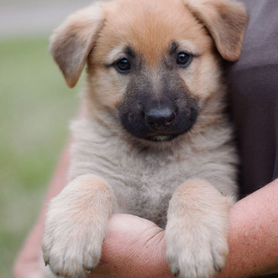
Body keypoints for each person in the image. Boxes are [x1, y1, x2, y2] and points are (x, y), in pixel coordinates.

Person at [14, 0, 278, 277]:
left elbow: (217, 196)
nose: (159, 109)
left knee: (199, 192)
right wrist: (84, 196)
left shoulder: (212, 143)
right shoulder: (97, 146)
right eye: (123, 64)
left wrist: (197, 200)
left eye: (182, 59)